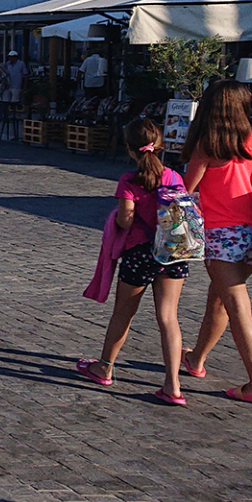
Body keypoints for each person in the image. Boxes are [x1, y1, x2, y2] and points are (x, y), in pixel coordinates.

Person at [178, 81, 252, 404]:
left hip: (221, 236)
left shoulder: (208, 145)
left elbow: (186, 190)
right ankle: (196, 359)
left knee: (237, 307)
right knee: (220, 299)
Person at [75, 119, 191, 404]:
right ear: (159, 145)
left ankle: (104, 368)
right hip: (173, 253)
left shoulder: (129, 181)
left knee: (123, 314)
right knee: (169, 318)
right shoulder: (174, 177)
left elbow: (126, 219)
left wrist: (115, 217)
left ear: (129, 149)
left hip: (140, 253)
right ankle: (173, 385)